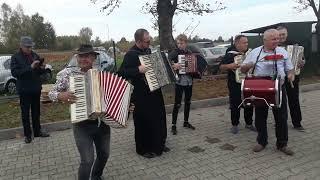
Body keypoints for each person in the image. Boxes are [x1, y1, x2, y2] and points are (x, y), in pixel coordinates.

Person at [48, 44, 110, 180]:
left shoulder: (102, 74)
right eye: (81, 56)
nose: (83, 59)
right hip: (82, 125)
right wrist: (60, 96)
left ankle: (96, 176)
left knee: (104, 154)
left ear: (94, 58)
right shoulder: (67, 74)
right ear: (76, 57)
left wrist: (125, 106)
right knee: (87, 161)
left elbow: (113, 96)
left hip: (102, 123)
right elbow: (51, 93)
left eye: (87, 56)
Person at [241, 29, 295, 156]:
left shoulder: (282, 52)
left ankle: (282, 144)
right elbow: (243, 69)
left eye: (277, 38)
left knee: (281, 117)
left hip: (278, 86)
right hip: (260, 88)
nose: (277, 41)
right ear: (264, 40)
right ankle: (261, 142)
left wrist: (291, 75)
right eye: (273, 39)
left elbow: (290, 69)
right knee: (260, 116)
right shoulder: (254, 52)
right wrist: (248, 65)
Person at [118, 28, 170, 159]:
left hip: (155, 91)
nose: (149, 43)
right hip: (140, 94)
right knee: (143, 121)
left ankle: (158, 144)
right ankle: (142, 149)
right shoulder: (131, 54)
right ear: (138, 41)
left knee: (158, 118)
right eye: (147, 41)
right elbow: (121, 73)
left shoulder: (148, 51)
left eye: (149, 40)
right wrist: (137, 69)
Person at [10, 36, 50, 144]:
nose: (29, 49)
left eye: (30, 46)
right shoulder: (15, 57)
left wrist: (42, 69)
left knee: (36, 113)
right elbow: (15, 73)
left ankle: (37, 132)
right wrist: (30, 67)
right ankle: (28, 135)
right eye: (27, 47)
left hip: (35, 89)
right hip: (24, 90)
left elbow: (37, 72)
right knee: (25, 114)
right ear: (21, 46)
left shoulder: (34, 55)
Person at [219, 35, 255, 134]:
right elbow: (221, 67)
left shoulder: (250, 53)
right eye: (244, 43)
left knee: (249, 102)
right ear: (237, 43)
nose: (246, 44)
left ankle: (249, 123)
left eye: (247, 42)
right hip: (235, 83)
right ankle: (235, 124)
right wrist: (230, 66)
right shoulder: (230, 54)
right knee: (235, 104)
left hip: (249, 81)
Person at [277, 26, 305, 131]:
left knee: (294, 100)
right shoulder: (273, 46)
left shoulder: (295, 44)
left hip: (293, 77)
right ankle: (279, 122)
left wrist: (302, 62)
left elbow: (302, 59)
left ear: (287, 34)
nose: (281, 36)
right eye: (279, 34)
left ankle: (297, 123)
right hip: (278, 78)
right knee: (278, 101)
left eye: (283, 34)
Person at [168, 34, 196, 135]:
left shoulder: (190, 53)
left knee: (188, 102)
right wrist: (174, 65)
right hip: (179, 81)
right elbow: (166, 62)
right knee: (177, 103)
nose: (179, 45)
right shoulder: (175, 53)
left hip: (189, 81)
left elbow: (194, 65)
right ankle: (173, 125)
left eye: (181, 43)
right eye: (178, 43)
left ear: (186, 43)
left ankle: (186, 122)